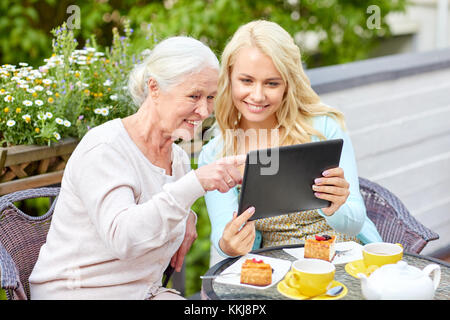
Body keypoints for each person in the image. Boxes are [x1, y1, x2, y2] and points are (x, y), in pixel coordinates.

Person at [29, 36, 248, 300]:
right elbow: (125, 238)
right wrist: (194, 185)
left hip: (141, 292)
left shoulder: (175, 157)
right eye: (194, 96)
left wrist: (188, 216)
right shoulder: (105, 148)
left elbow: (164, 207)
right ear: (154, 88)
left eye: (211, 97)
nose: (204, 111)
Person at [198, 20, 382, 263]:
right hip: (277, 269)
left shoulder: (323, 128)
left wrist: (335, 206)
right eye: (246, 80)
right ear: (229, 78)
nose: (257, 95)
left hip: (342, 256)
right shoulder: (217, 154)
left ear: (288, 84)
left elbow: (354, 222)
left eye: (272, 83)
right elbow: (225, 241)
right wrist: (230, 244)